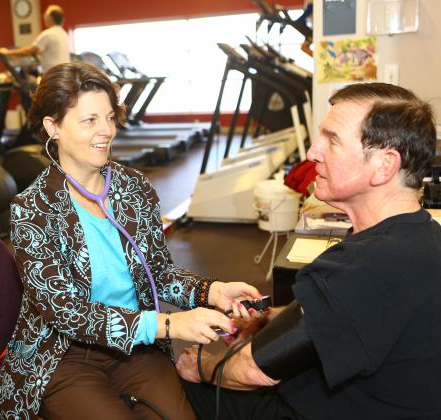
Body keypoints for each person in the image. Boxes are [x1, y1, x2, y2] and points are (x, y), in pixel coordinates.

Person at [0, 62, 264, 419]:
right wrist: (168, 325)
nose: (106, 131)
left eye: (109, 118)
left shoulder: (134, 188)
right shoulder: (32, 210)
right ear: (53, 127)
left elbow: (159, 274)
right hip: (64, 355)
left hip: (135, 348)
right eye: (89, 120)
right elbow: (65, 312)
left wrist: (212, 292)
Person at [177, 82, 441, 419]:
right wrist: (272, 319)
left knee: (178, 385)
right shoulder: (424, 236)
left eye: (332, 140)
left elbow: (251, 371)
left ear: (384, 166)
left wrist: (202, 366)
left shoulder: (363, 265)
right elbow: (356, 314)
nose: (313, 152)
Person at [0, 4, 70, 73]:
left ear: (50, 18)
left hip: (54, 75)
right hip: (64, 73)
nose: (44, 18)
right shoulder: (63, 33)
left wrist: (7, 52)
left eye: (45, 16)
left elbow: (29, 50)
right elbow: (49, 50)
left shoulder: (48, 34)